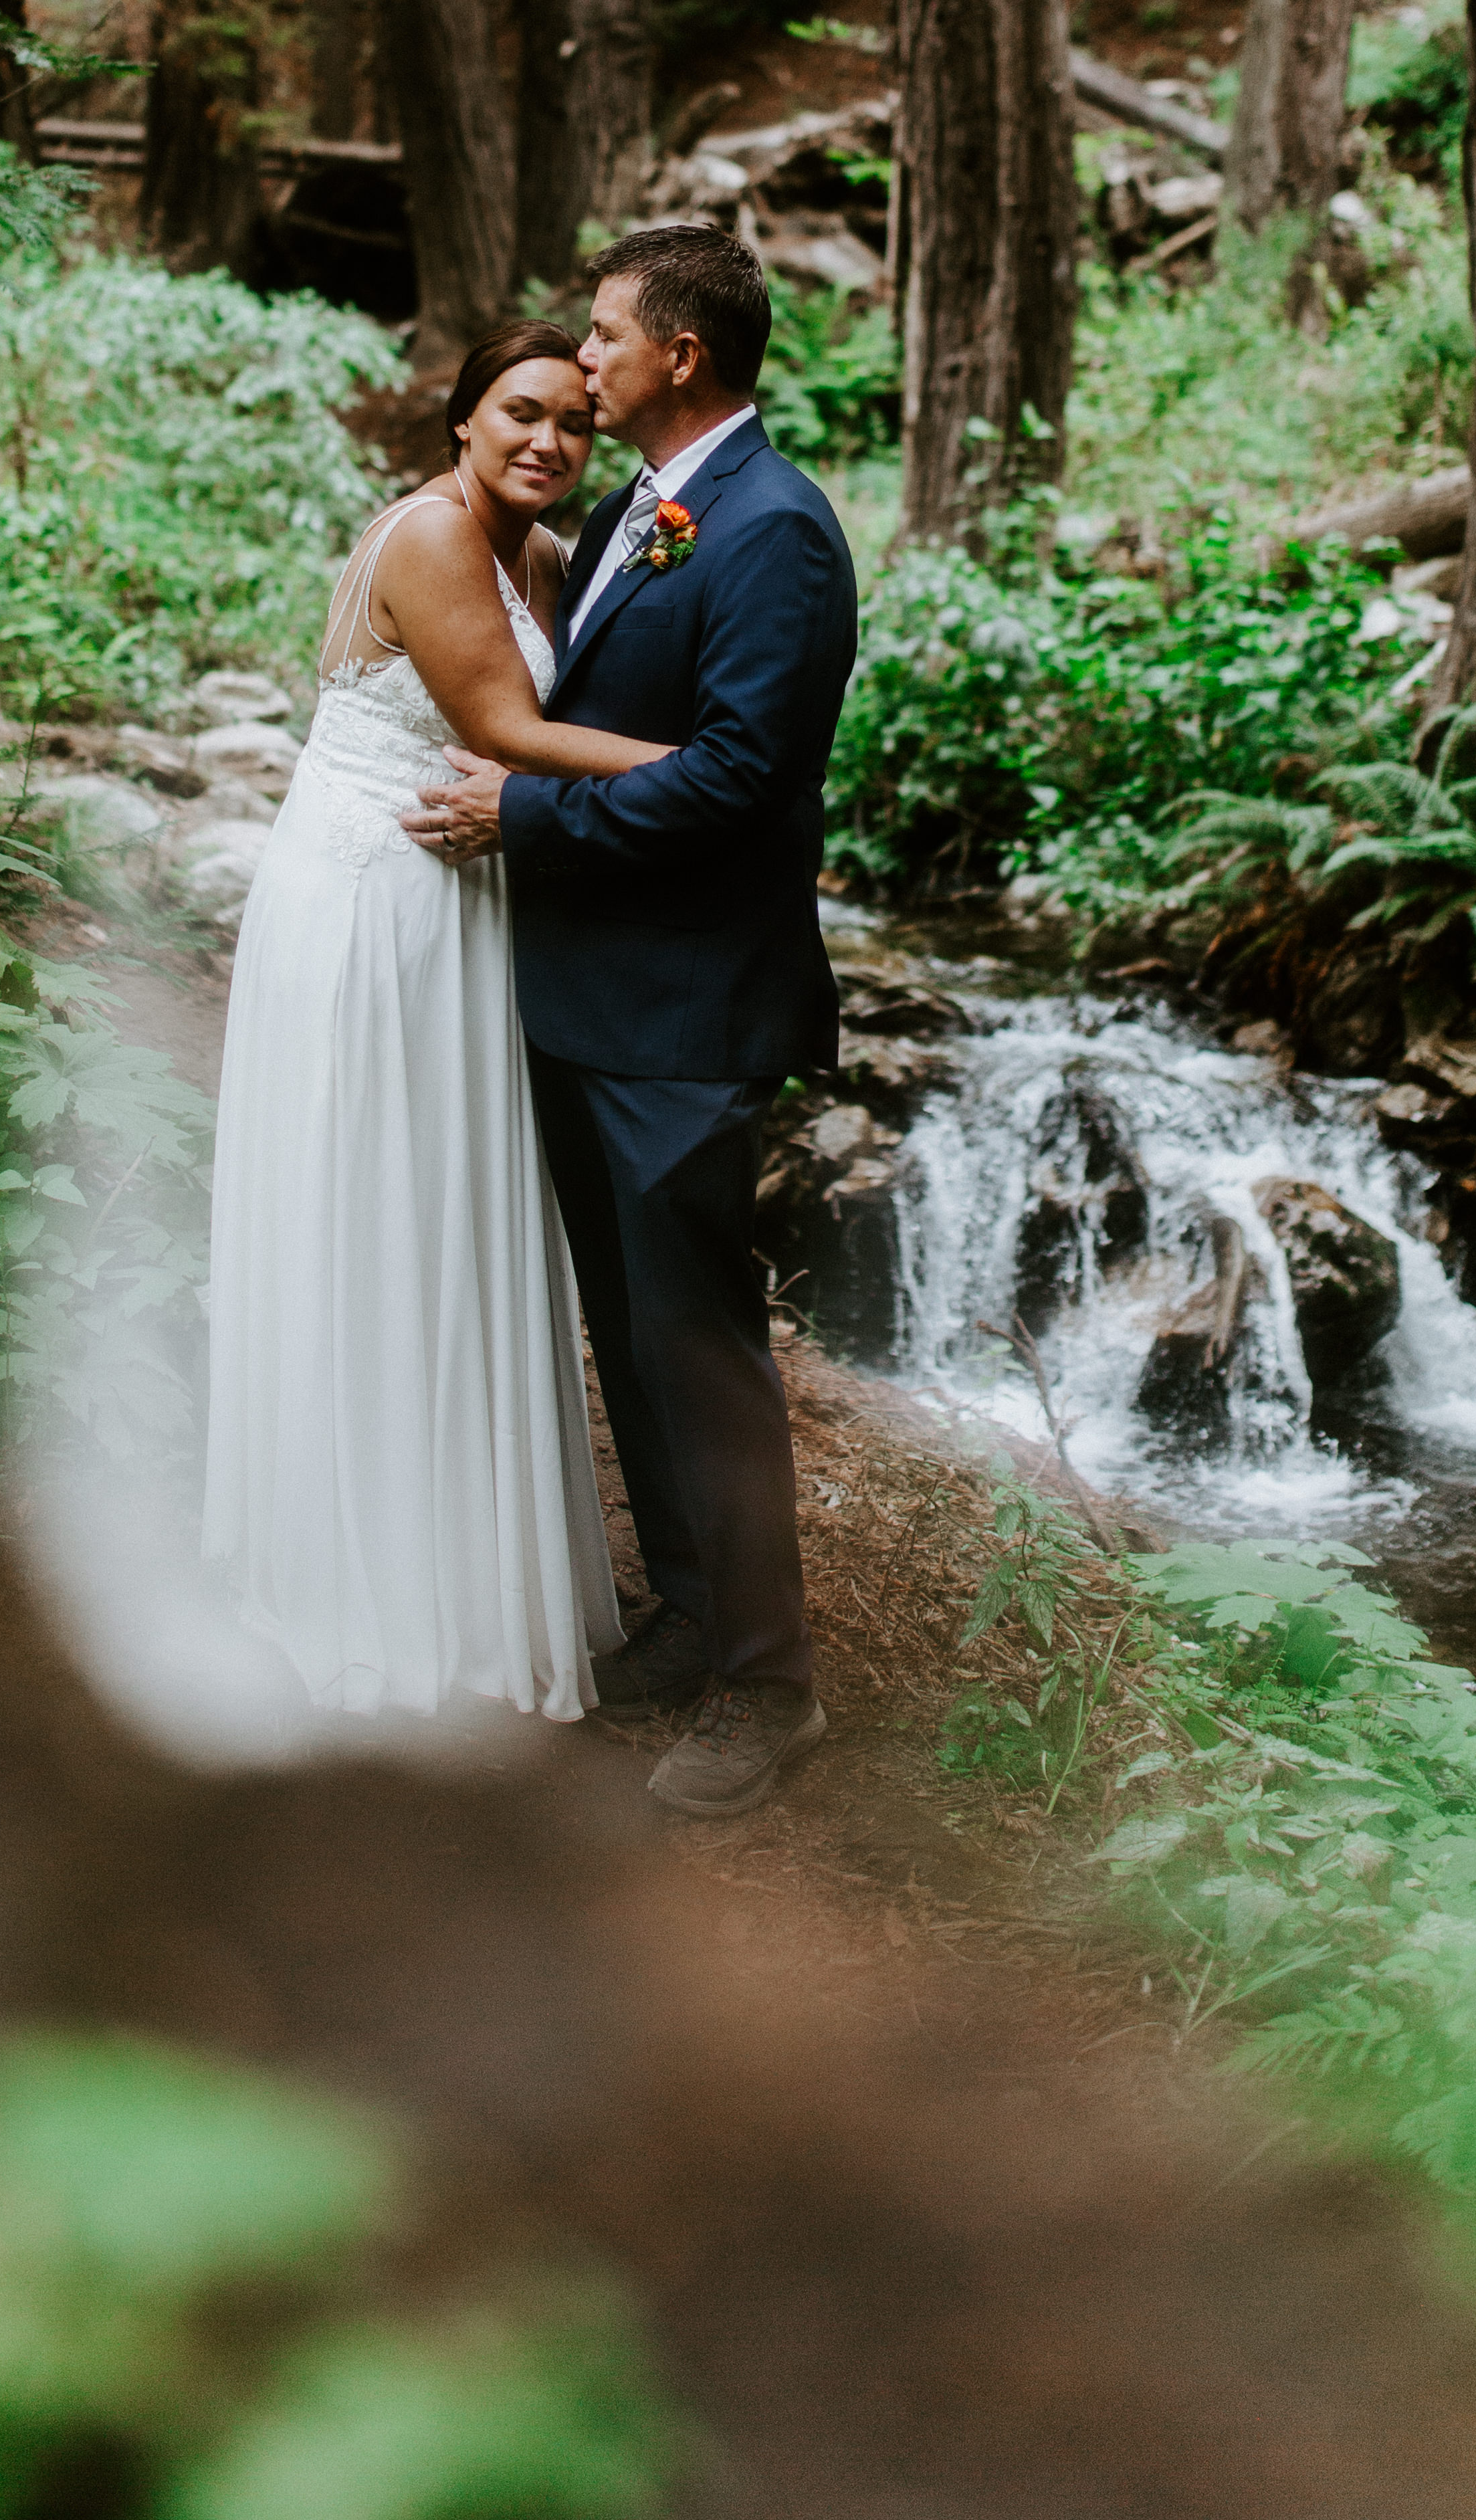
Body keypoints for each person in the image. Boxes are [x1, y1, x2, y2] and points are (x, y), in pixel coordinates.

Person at [405, 228, 860, 1820]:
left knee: (699, 1349)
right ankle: (687, 1608)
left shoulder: (776, 531)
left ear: (680, 355)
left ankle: (770, 1687)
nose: (582, 361)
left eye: (605, 337)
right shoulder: (637, 509)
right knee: (628, 1334)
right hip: (588, 999)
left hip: (687, 1013)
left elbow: (744, 781)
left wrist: (527, 823)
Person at [202, 324, 677, 1724]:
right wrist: (709, 774)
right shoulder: (427, 537)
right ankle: (359, 1583)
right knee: (373, 1219)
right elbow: (505, 727)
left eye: (573, 426)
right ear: (461, 421)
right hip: (372, 909)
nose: (548, 441)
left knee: (450, 1221)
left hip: (465, 905)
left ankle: (458, 1560)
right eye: (520, 414)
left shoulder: (535, 551)